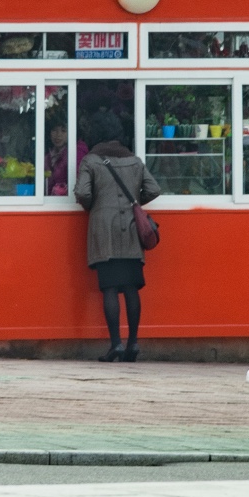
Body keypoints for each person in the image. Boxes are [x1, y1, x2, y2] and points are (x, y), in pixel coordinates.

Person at [73, 108, 161, 362]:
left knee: (110, 287)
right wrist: (135, 202)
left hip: (104, 227)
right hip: (132, 228)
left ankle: (116, 345)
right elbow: (154, 188)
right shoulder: (134, 160)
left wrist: (95, 206)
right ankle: (133, 343)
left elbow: (83, 192)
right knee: (132, 287)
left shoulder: (91, 160)